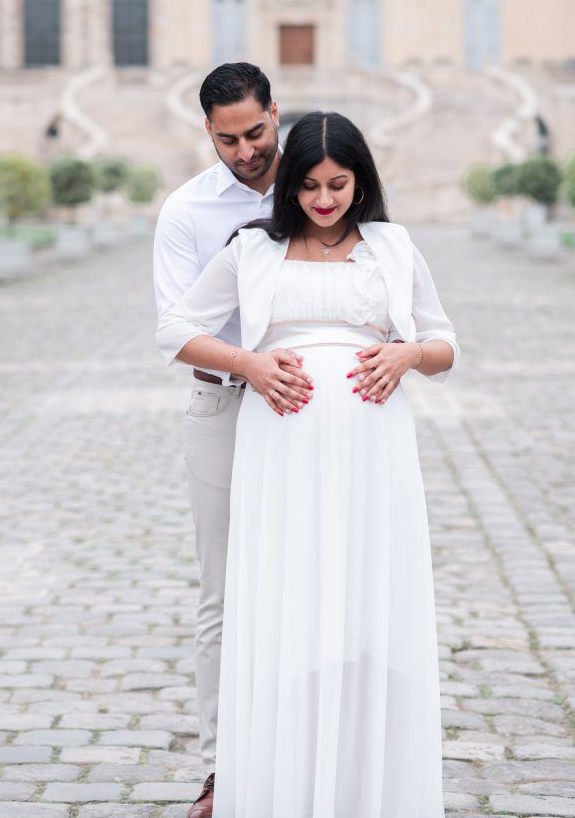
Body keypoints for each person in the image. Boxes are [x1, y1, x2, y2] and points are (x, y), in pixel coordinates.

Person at [157, 110, 459, 818]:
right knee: (284, 600)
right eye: (311, 186)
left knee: (365, 601)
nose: (324, 200)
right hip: (280, 453)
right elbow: (174, 328)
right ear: (290, 184)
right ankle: (279, 780)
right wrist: (248, 363)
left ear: (362, 182)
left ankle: (364, 782)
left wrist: (409, 354)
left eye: (339, 185)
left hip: (372, 452)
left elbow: (445, 345)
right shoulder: (251, 249)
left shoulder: (393, 247)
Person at [152, 62, 311, 818]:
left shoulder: (317, 187)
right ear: (207, 133)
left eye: (255, 133)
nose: (246, 152)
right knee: (222, 596)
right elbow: (175, 330)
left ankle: (307, 757)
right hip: (222, 408)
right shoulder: (186, 211)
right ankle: (221, 773)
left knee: (310, 584)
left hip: (309, 412)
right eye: (227, 140)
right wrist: (247, 363)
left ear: (274, 112)